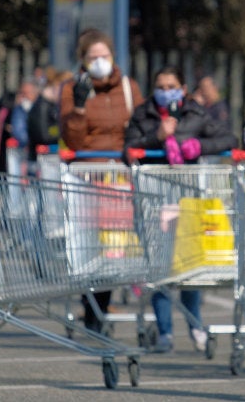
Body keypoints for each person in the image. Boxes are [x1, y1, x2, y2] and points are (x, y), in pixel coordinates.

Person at [124, 65, 237, 353]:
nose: (166, 92)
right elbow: (128, 149)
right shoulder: (142, 114)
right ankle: (165, 332)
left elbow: (228, 139)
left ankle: (195, 325)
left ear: (183, 89)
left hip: (187, 202)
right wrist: (156, 137)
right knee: (160, 269)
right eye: (160, 87)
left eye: (171, 86)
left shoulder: (195, 113)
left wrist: (199, 146)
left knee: (190, 267)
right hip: (153, 199)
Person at [59, 28, 144, 333]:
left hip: (121, 173)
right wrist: (80, 108)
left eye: (104, 56)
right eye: (93, 57)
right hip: (88, 174)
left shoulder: (127, 87)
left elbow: (140, 123)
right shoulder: (72, 89)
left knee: (115, 243)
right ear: (82, 60)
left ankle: (102, 307)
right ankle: (92, 308)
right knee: (90, 245)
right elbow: (73, 138)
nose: (99, 61)